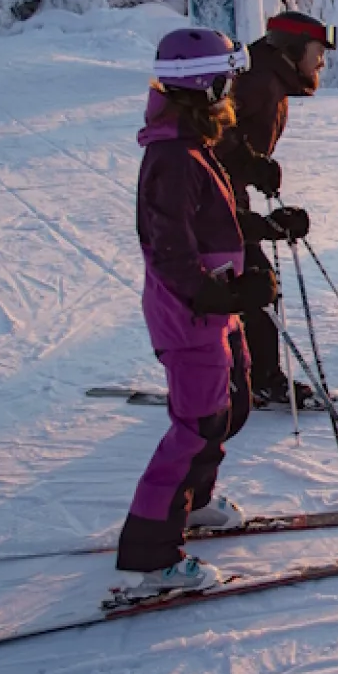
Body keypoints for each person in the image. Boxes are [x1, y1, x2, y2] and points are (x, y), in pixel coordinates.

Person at [117, 29, 281, 595]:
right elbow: (171, 251)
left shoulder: (192, 145)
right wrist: (224, 297)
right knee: (195, 428)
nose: (231, 91)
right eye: (226, 80)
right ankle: (151, 555)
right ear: (205, 83)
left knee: (229, 409)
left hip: (212, 312)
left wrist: (266, 228)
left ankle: (195, 503)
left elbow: (216, 225)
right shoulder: (174, 158)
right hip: (190, 316)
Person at [215, 11, 334, 409]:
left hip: (230, 192)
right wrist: (249, 162)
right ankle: (253, 378)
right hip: (213, 197)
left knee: (252, 282)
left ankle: (247, 374)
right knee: (252, 283)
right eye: (318, 52)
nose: (321, 62)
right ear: (294, 48)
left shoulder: (271, 80)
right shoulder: (258, 81)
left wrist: (251, 168)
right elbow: (214, 129)